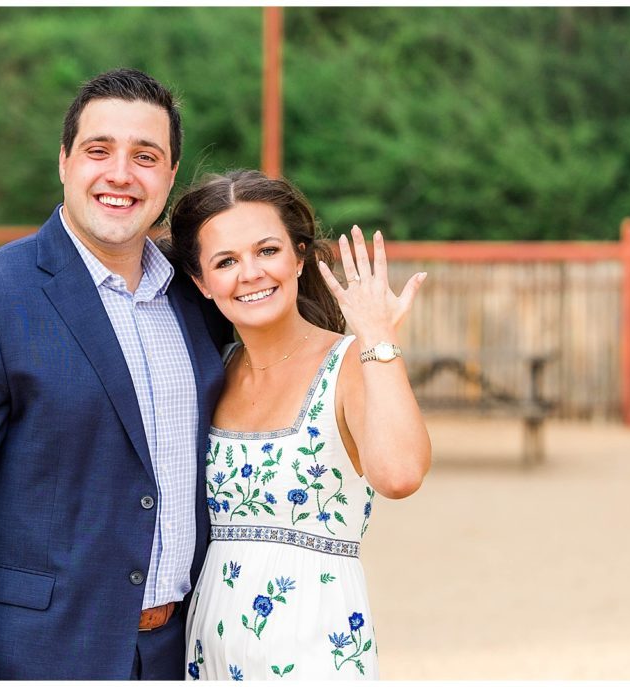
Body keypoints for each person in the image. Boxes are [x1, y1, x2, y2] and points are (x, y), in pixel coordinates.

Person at [0, 68, 233, 680]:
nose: (121, 173)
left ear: (170, 175)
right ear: (64, 161)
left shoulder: (199, 297)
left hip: (175, 655)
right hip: (32, 657)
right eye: (99, 150)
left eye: (145, 156)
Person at [166, 169, 431, 680]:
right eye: (226, 261)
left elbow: (400, 475)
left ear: (299, 257)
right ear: (201, 282)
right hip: (211, 648)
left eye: (267, 250)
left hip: (315, 643)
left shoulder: (350, 363)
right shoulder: (213, 370)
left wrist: (377, 336)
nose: (250, 273)